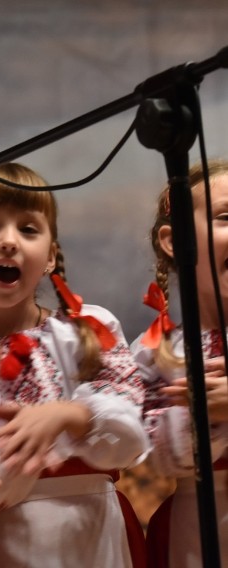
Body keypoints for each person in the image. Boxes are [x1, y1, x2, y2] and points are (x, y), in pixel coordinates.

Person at [0, 162, 149, 567]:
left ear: (50, 257)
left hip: (99, 535)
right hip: (9, 541)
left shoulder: (92, 329)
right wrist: (54, 438)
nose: (9, 242)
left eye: (28, 229)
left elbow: (129, 436)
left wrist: (69, 414)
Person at [131, 159, 228, 567]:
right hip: (198, 526)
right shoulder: (156, 351)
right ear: (175, 241)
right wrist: (206, 419)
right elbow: (150, 452)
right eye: (226, 217)